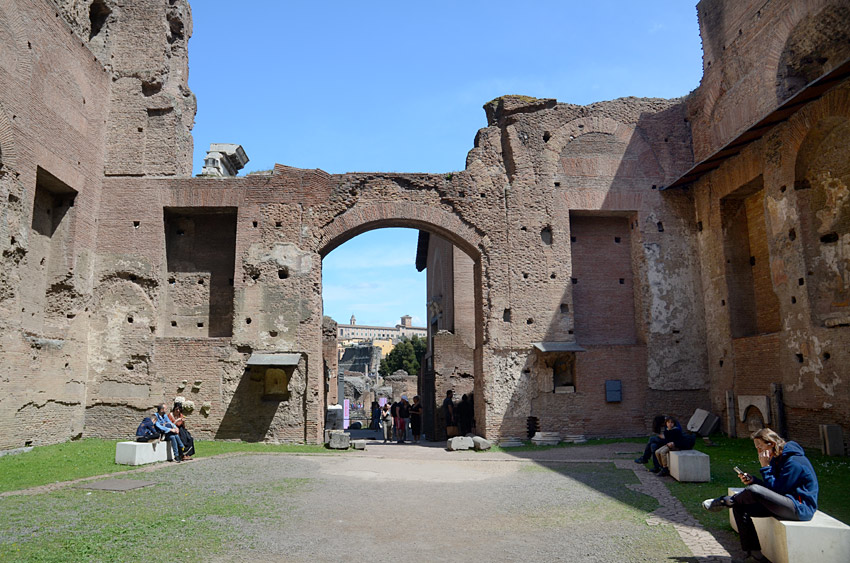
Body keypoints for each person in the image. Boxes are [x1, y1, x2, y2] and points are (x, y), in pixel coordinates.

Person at [702, 428, 818, 562]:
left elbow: (778, 490)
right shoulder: (777, 458)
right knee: (740, 506)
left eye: (760, 447)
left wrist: (765, 467)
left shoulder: (794, 461)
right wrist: (753, 480)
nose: (759, 451)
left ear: (771, 444)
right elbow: (773, 488)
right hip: (784, 502)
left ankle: (724, 501)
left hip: (799, 508)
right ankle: (754, 554)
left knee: (753, 490)